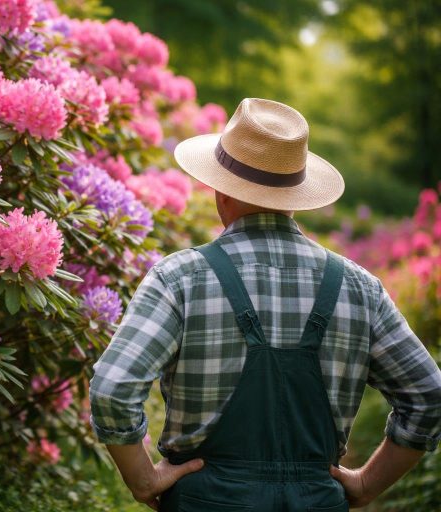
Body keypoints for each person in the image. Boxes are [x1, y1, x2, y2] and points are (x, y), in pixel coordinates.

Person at [88, 98, 441, 511]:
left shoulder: (179, 279)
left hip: (205, 500)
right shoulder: (360, 288)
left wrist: (143, 480)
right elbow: (428, 395)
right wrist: (365, 485)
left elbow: (112, 389)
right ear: (296, 196)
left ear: (221, 190)